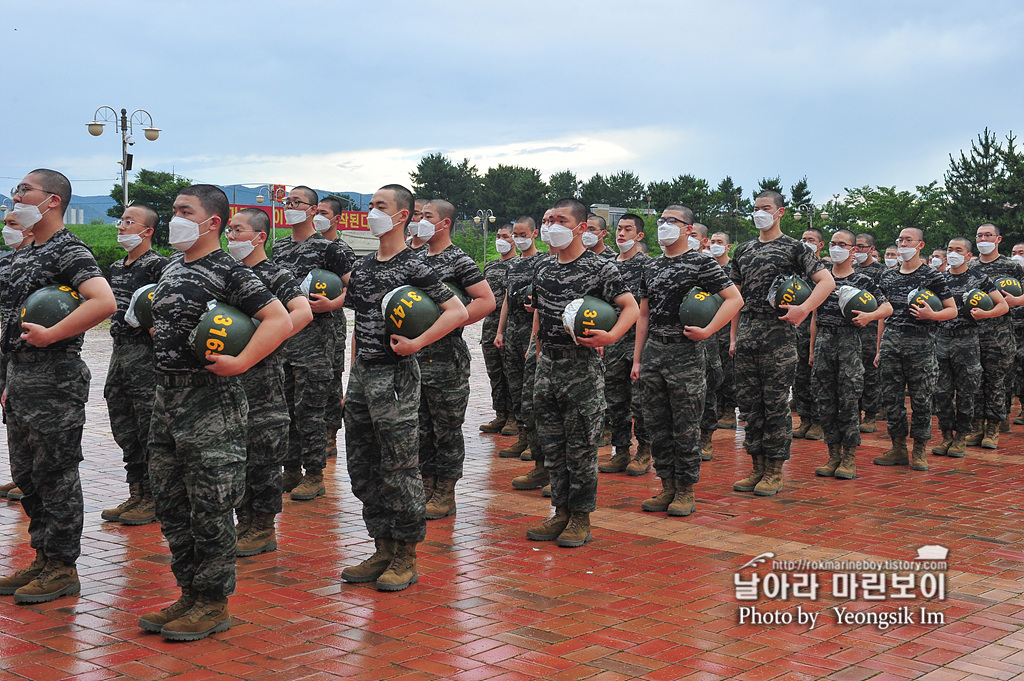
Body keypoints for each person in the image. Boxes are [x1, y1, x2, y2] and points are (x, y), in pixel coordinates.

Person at [140, 185, 291, 640]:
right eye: (174, 210)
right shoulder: (172, 267)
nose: (175, 219)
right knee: (171, 502)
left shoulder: (227, 270)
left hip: (210, 401)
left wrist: (241, 362)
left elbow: (279, 319)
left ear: (212, 223)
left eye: (185, 211)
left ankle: (212, 602)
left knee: (209, 505)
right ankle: (188, 592)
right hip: (166, 401)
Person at [341, 184, 467, 592]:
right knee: (362, 467)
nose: (372, 212)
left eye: (381, 206)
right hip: (363, 375)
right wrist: (352, 377)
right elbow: (360, 326)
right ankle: (381, 547)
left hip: (396, 379)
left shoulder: (416, 266)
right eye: (371, 205)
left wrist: (418, 343)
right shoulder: (361, 268)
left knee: (399, 468)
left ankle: (405, 555)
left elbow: (457, 310)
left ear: (403, 216)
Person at [0, 171, 117, 604]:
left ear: (51, 201)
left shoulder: (67, 249)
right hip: (20, 375)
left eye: (24, 190)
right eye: (16, 190)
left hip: (54, 376)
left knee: (55, 474)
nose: (16, 196)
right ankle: (43, 557)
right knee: (26, 474)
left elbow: (104, 301)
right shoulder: (21, 251)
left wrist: (53, 334)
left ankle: (63, 568)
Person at [526, 198, 638, 547]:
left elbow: (630, 307)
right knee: (553, 446)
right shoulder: (543, 268)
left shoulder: (598, 268)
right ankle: (559, 512)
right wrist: (536, 352)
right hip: (548, 367)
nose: (551, 226)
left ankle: (580, 518)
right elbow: (540, 315)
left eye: (559, 220)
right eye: (548, 219)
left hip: (582, 369)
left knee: (582, 448)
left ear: (581, 228)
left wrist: (612, 336)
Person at [632, 206, 742, 516]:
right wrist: (638, 359)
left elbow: (735, 299)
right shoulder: (650, 267)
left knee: (685, 426)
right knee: (657, 424)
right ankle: (666, 485)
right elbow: (643, 315)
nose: (664, 225)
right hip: (654, 351)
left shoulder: (701, 263)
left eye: (672, 221)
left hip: (686, 354)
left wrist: (707, 330)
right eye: (662, 220)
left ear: (687, 230)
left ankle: (685, 490)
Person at [730, 191, 834, 497]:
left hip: (779, 334)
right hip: (748, 331)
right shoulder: (744, 250)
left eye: (766, 208)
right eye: (755, 208)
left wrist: (804, 309)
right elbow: (735, 296)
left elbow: (826, 282)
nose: (759, 213)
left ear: (780, 212)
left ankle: (774, 470)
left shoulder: (795, 248)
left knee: (775, 404)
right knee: (750, 405)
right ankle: (756, 467)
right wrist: (734, 337)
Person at [225, 208, 313, 556]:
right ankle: (242, 519)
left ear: (260, 237)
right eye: (229, 231)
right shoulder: (227, 272)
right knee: (235, 452)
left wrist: (267, 342)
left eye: (238, 231)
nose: (231, 237)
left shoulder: (275, 274)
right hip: (228, 375)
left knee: (261, 452)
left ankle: (261, 526)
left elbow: (302, 312)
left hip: (261, 377)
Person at [415, 199, 495, 519]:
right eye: (418, 215)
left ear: (444, 223)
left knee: (446, 428)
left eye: (427, 217)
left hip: (446, 359)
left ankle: (445, 491)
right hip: (416, 355)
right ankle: (424, 485)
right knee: (420, 427)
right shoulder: (415, 258)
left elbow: (485, 300)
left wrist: (451, 320)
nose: (420, 221)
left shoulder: (459, 260)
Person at [272, 186, 353, 500]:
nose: (290, 206)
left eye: (297, 202)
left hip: (318, 341)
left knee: (311, 410)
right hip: (286, 340)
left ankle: (315, 474)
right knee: (286, 408)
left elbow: (355, 287)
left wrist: (332, 305)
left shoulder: (330, 248)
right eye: (287, 202)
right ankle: (290, 469)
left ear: (312, 209)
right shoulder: (279, 248)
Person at [101, 203, 168, 526]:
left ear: (148, 231)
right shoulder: (117, 267)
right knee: (123, 422)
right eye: (121, 220)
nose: (122, 226)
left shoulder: (159, 266)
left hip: (145, 352)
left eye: (130, 222)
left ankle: (154, 498)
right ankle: (136, 491)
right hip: (120, 351)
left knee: (148, 425)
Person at [809, 230, 891, 481]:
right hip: (824, 340)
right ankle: (832, 454)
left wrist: (869, 316)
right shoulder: (822, 279)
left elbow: (887, 306)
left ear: (854, 250)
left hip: (848, 342)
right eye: (832, 244)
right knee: (825, 401)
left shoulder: (863, 280)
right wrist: (812, 349)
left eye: (842, 244)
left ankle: (848, 457)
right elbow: (814, 316)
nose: (836, 248)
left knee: (848, 401)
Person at [873, 228, 956, 471]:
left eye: (908, 240)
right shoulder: (887, 276)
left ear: (920, 245)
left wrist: (933, 315)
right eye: (900, 239)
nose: (903, 243)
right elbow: (882, 315)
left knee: (921, 400)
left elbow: (952, 310)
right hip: (891, 342)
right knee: (891, 398)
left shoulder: (932, 275)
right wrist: (879, 348)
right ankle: (898, 447)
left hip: (921, 343)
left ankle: (920, 450)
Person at [932, 237, 1006, 458]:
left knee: (966, 392)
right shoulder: (939, 278)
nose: (953, 253)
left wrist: (986, 314)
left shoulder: (979, 278)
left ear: (968, 256)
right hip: (942, 339)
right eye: (949, 249)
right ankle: (946, 435)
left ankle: (961, 437)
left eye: (958, 250)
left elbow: (1001, 304)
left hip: (967, 341)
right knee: (942, 392)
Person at [598, 213, 651, 475]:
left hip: (639, 342)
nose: (621, 234)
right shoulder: (606, 265)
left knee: (640, 401)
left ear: (639, 236)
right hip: (612, 342)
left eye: (628, 230)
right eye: (619, 229)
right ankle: (620, 450)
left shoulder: (647, 266)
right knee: (614, 399)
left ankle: (644, 451)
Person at [966, 223, 1024, 449]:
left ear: (998, 239)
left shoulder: (1011, 266)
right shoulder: (969, 266)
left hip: (999, 334)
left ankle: (993, 429)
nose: (983, 239)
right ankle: (976, 427)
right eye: (979, 235)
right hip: (972, 333)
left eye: (988, 235)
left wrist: (1017, 301)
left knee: (996, 382)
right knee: (975, 383)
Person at [494, 216, 546, 461]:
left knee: (530, 389)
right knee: (514, 385)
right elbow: (506, 298)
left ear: (534, 234)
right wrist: (500, 331)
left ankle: (534, 441)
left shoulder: (543, 262)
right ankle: (522, 437)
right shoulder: (513, 265)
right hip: (513, 328)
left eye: (523, 234)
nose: (518, 239)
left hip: (530, 330)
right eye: (515, 234)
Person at [314, 196, 358, 458]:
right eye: (316, 211)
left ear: (336, 219)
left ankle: (330, 434)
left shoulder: (341, 250)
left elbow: (353, 287)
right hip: (300, 326)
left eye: (323, 212)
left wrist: (332, 304)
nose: (318, 216)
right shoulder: (290, 247)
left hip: (329, 325)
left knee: (330, 380)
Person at [0, 211, 35, 501]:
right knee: (10, 417)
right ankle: (19, 475)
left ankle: (30, 479)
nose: (6, 229)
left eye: (13, 225)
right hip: (7, 347)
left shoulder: (43, 262)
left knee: (29, 420)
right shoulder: (5, 261)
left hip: (32, 352)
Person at [479, 223, 517, 435]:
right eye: (498, 235)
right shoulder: (491, 266)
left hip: (510, 326)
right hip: (489, 325)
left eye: (506, 236)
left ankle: (513, 416)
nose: (501, 239)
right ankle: (500, 414)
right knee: (494, 372)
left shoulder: (518, 265)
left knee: (510, 372)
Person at [691, 223, 725, 461]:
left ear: (704, 241)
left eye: (694, 236)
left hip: (706, 336)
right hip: (678, 338)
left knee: (707, 388)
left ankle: (706, 438)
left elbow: (730, 300)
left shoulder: (709, 267)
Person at [793, 228, 825, 440]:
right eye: (803, 239)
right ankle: (804, 419)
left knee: (818, 379)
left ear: (821, 244)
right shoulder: (796, 269)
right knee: (799, 377)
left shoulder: (825, 269)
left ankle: (818, 422)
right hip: (796, 330)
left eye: (810, 240)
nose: (805, 243)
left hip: (818, 330)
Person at [853, 233, 886, 433]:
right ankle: (854, 412)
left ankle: (871, 415)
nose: (857, 251)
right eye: (854, 247)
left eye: (862, 247)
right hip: (852, 329)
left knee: (871, 374)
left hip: (872, 329)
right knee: (853, 375)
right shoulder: (852, 271)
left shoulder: (882, 272)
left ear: (872, 249)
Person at [710, 232, 738, 430]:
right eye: (712, 242)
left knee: (728, 371)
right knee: (713, 370)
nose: (715, 245)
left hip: (727, 327)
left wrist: (733, 335)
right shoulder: (707, 268)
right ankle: (717, 407)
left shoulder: (733, 269)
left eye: (719, 242)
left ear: (728, 247)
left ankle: (729, 410)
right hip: (709, 327)